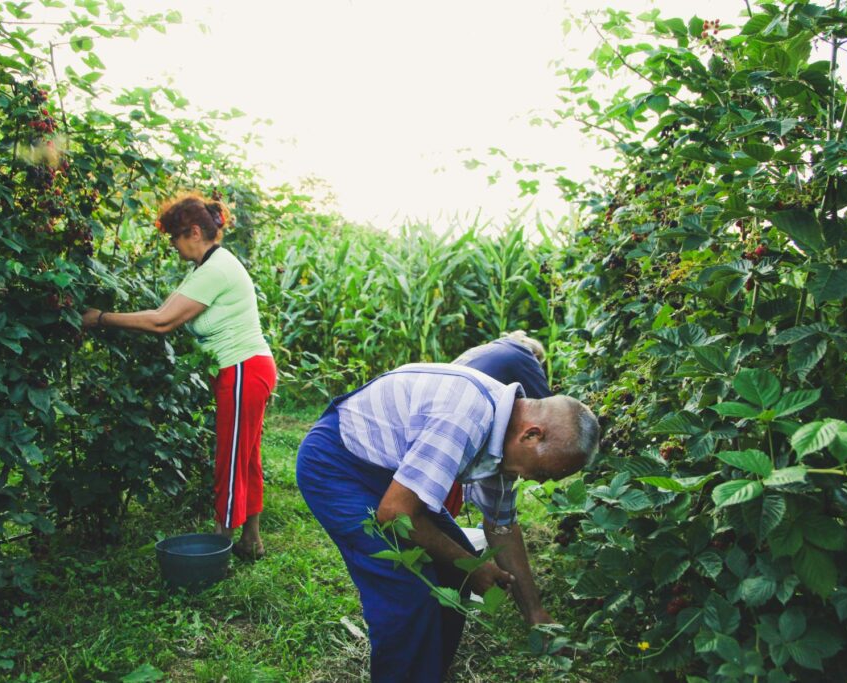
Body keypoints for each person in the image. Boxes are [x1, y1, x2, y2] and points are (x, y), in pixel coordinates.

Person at [295, 362, 599, 682]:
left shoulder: (506, 433)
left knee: (453, 575)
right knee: (407, 591)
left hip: (391, 473)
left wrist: (535, 614)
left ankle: (429, 674)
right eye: (542, 472)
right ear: (532, 434)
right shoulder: (465, 418)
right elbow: (396, 514)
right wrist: (473, 566)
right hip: (337, 465)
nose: (536, 480)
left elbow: (502, 527)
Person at [81, 192, 276, 560]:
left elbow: (161, 321)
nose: (172, 245)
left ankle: (218, 547)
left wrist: (101, 319)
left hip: (243, 368)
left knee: (231, 460)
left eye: (175, 237)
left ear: (194, 232)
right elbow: (165, 310)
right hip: (246, 368)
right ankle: (251, 541)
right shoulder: (208, 268)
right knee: (245, 457)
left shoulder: (216, 270)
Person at [444, 330, 553, 516]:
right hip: (461, 424)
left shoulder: (484, 350)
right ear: (535, 356)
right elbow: (546, 408)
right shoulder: (524, 355)